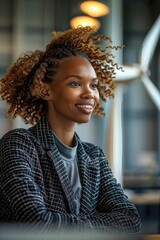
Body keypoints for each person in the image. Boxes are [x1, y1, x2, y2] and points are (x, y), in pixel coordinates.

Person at [0, 26, 141, 234]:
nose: (90, 94)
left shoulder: (94, 157)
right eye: (75, 83)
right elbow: (37, 223)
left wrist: (69, 225)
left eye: (93, 85)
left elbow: (130, 221)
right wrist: (101, 224)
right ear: (46, 90)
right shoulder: (18, 145)